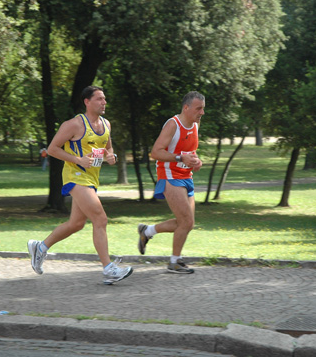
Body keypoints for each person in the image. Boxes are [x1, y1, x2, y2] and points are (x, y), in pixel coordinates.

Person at [27, 85, 133, 285]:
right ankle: (108, 269)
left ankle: (40, 247)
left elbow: (108, 149)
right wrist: (78, 160)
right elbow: (52, 149)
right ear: (87, 101)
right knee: (100, 219)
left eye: (104, 99)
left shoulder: (106, 124)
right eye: (99, 99)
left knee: (76, 224)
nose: (104, 102)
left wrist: (112, 157)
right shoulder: (74, 124)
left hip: (92, 179)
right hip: (75, 176)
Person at [137, 91, 205, 274]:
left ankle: (148, 231)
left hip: (186, 176)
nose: (202, 113)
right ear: (186, 107)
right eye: (198, 108)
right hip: (169, 176)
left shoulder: (195, 125)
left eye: (203, 109)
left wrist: (196, 162)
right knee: (186, 220)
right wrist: (179, 157)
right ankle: (174, 262)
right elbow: (155, 152)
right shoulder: (173, 124)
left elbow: (191, 153)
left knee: (187, 223)